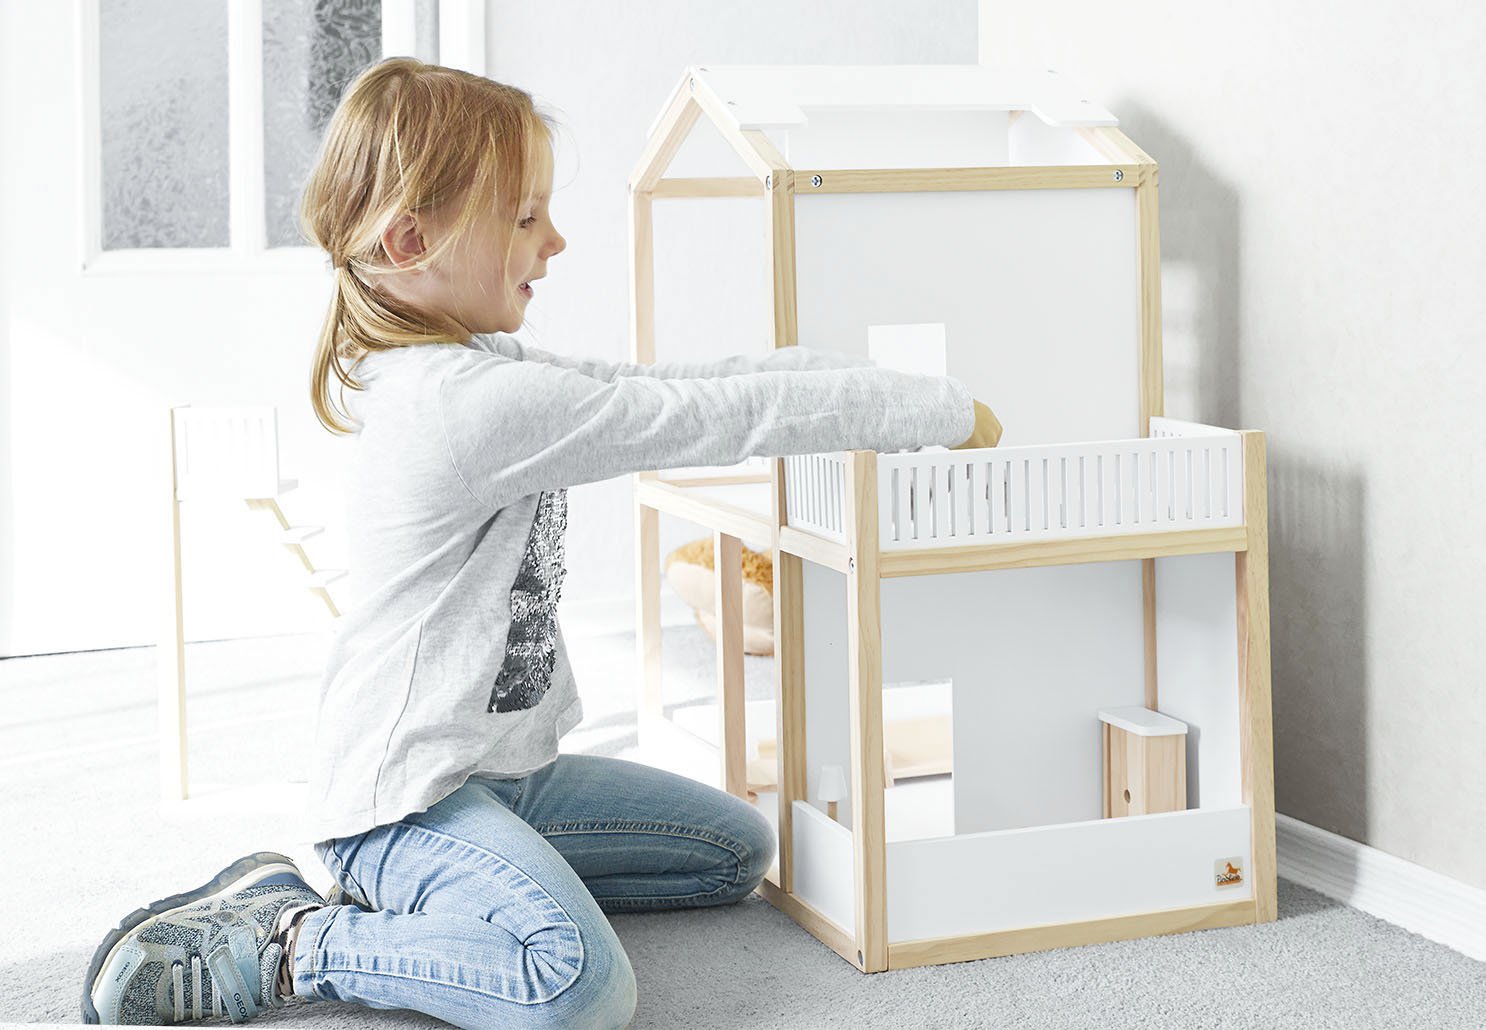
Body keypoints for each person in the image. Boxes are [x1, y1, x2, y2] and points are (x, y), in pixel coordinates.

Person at [82, 57, 1002, 1028]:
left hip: (509, 780)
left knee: (735, 851)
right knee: (575, 985)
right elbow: (723, 412)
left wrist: (884, 388)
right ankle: (290, 942)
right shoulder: (467, 406)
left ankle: (449, 896)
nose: (555, 242)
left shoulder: (481, 366)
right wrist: (934, 407)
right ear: (411, 239)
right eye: (525, 218)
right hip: (404, 804)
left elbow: (698, 381)